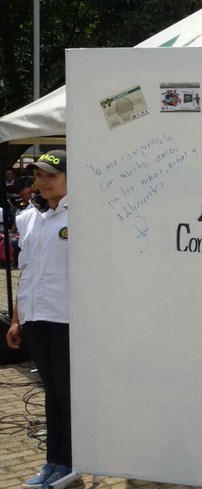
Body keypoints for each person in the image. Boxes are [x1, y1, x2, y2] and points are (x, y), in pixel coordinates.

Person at [5, 150, 79, 489]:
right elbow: (27, 270)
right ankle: (54, 462)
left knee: (67, 393)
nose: (43, 181)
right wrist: (18, 320)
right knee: (51, 392)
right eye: (39, 174)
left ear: (69, 177)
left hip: (67, 319)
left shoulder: (81, 216)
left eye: (51, 174)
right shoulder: (27, 217)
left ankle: (73, 461)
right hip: (36, 318)